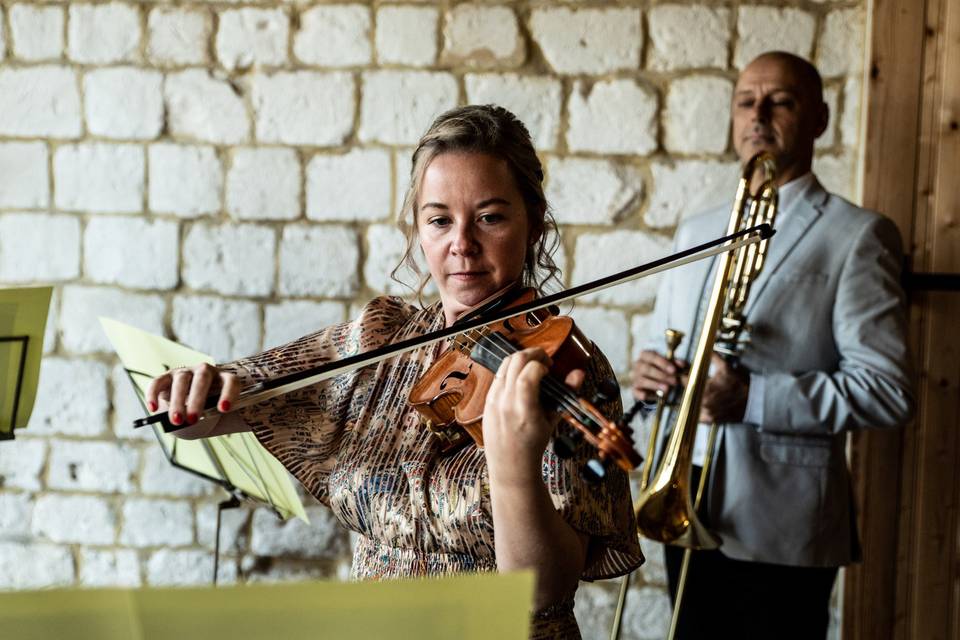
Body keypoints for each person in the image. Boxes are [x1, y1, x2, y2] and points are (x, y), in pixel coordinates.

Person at [147, 105, 643, 639]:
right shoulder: (381, 340)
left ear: (534, 220)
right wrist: (197, 397)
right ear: (418, 229)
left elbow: (544, 594)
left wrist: (511, 461)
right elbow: (237, 401)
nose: (462, 244)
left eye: (490, 217)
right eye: (439, 220)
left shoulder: (563, 371)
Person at [630, 51, 914, 638]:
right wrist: (652, 376)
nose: (757, 113)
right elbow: (669, 346)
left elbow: (886, 391)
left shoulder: (857, 235)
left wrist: (753, 398)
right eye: (745, 100)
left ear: (819, 120)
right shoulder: (696, 232)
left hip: (783, 523)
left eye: (780, 100)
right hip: (685, 503)